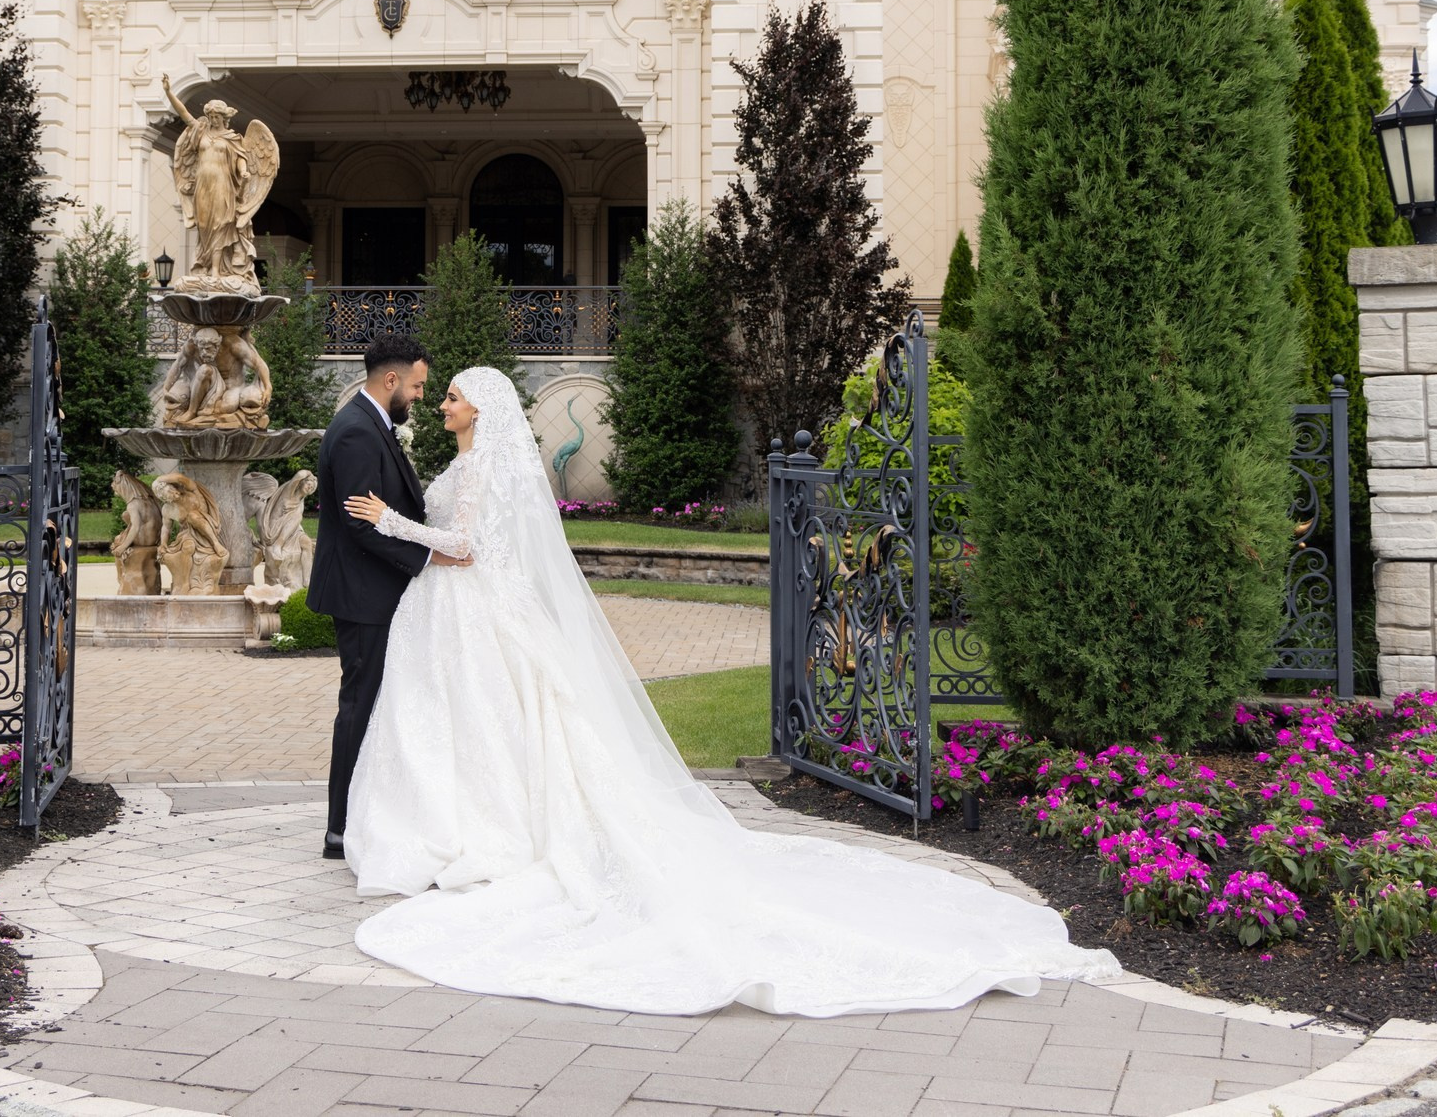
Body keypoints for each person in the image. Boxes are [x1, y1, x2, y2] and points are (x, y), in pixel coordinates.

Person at [336, 365, 1121, 1017]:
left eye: (453, 396)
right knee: (464, 721)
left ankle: (488, 836)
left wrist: (392, 523)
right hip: (448, 615)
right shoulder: (463, 463)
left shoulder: (481, 470)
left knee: (498, 719)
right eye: (441, 396)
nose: (441, 404)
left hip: (472, 606)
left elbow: (468, 546)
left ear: (483, 408)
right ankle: (454, 824)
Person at [304, 331, 452, 860]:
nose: (418, 396)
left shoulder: (372, 424)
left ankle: (367, 815)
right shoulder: (356, 433)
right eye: (415, 386)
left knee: (374, 704)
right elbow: (361, 527)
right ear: (390, 379)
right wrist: (432, 558)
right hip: (362, 595)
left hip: (375, 591)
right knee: (359, 706)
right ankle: (339, 830)